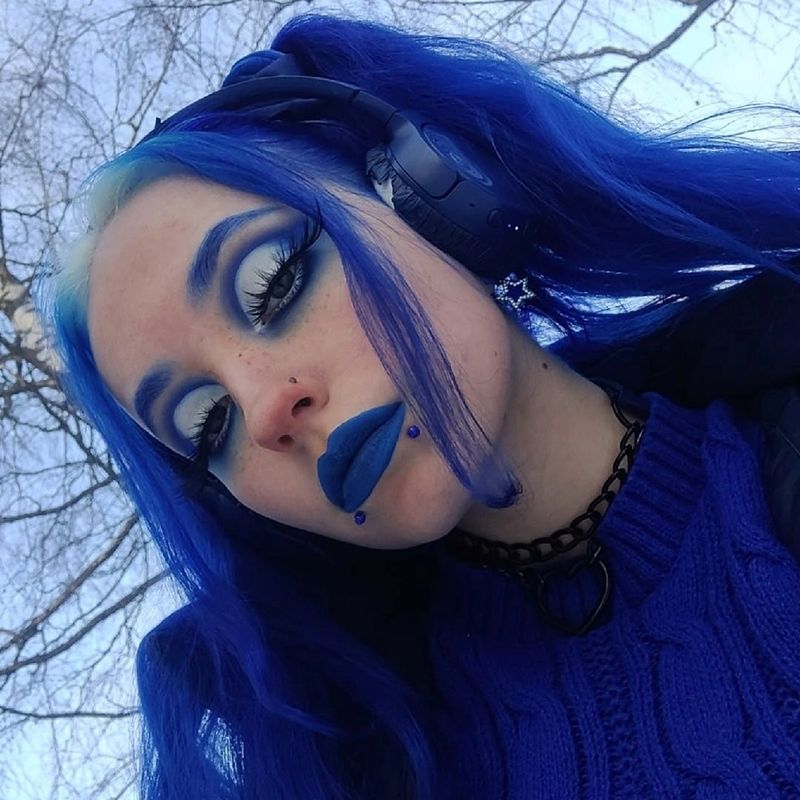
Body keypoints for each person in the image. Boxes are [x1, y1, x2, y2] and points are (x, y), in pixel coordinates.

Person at [41, 12, 800, 800]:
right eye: (208, 424)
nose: (264, 410)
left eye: (273, 282)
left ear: (430, 203)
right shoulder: (339, 768)